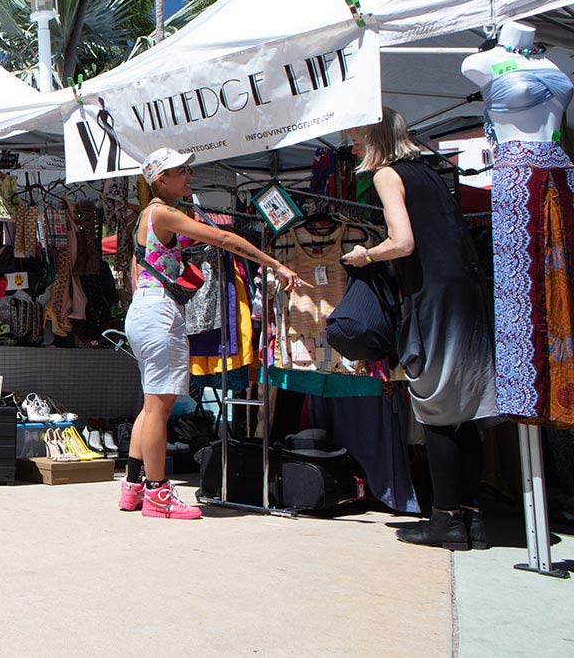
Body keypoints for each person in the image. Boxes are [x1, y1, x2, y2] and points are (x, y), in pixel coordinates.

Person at [342, 108, 498, 550]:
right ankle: (472, 519)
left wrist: (365, 256)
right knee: (465, 412)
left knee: (436, 412)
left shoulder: (387, 176)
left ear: (373, 138)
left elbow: (403, 242)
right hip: (466, 295)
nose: (352, 148)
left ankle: (445, 521)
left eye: (356, 138)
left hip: (434, 300)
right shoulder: (430, 174)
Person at [121, 148, 305, 520]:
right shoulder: (166, 213)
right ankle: (157, 494)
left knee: (151, 403)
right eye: (181, 171)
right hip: (160, 313)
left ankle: (133, 486)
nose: (189, 176)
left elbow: (134, 270)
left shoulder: (145, 217)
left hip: (143, 309)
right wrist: (275, 264)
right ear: (161, 179)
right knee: (159, 406)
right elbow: (224, 241)